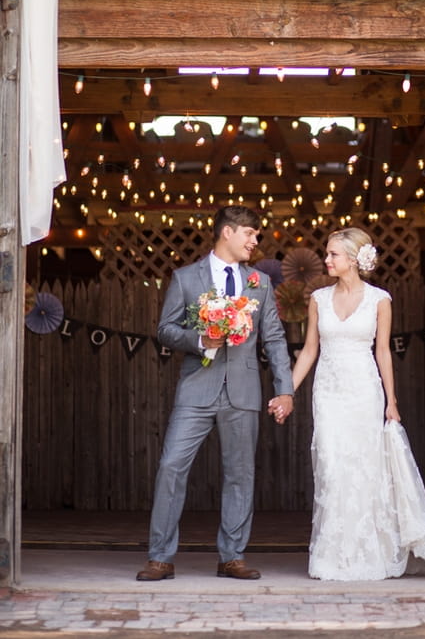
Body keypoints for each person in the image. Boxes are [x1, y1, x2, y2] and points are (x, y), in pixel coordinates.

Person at [277, 227, 425, 581]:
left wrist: (392, 401)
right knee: (332, 466)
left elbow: (383, 351)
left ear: (354, 260)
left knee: (365, 469)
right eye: (327, 254)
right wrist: (287, 392)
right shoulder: (318, 299)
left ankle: (371, 552)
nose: (326, 260)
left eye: (333, 255)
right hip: (328, 392)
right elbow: (309, 350)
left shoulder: (379, 299)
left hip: (363, 391)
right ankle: (333, 555)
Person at [136, 205, 294, 582]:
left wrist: (285, 390)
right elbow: (166, 330)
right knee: (172, 465)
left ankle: (232, 557)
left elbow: (273, 338)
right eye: (250, 234)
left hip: (243, 390)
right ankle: (160, 557)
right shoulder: (186, 278)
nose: (255, 241)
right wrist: (200, 340)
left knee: (240, 474)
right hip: (196, 388)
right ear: (228, 232)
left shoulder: (260, 282)